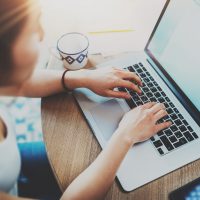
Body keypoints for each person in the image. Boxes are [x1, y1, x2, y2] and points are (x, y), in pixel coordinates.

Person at [0, 0, 171, 199]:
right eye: (31, 30)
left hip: (12, 168)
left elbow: (17, 83)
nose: (41, 35)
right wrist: (126, 135)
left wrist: (83, 77)